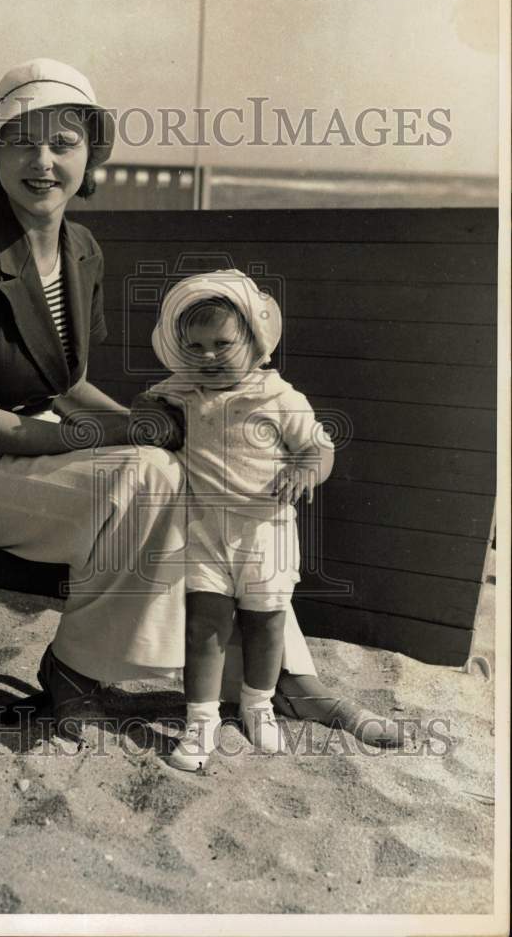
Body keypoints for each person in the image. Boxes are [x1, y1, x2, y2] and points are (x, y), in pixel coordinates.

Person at [0, 57, 400, 746]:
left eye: (63, 143)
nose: (41, 162)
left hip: (35, 434)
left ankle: (285, 675)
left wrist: (156, 428)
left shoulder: (80, 249)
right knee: (145, 475)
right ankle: (74, 672)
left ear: (91, 155)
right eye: (22, 142)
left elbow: (66, 382)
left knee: (196, 468)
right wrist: (123, 435)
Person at [138, 270, 337, 770]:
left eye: (223, 343)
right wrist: (152, 414)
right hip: (204, 530)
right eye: (196, 345)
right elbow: (145, 403)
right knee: (204, 627)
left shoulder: (279, 396)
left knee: (266, 624)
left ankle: (258, 705)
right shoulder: (183, 390)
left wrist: (305, 470)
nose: (208, 355)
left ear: (255, 341)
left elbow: (319, 447)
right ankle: (201, 720)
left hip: (265, 533)